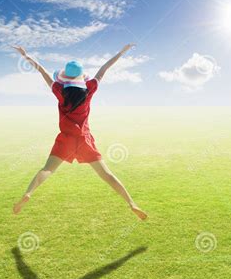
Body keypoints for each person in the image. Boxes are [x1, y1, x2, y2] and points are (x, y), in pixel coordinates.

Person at [11, 44, 147, 220]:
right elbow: (104, 68)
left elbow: (42, 71)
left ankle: (29, 192)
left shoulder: (59, 91)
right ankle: (131, 203)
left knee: (47, 169)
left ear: (65, 78)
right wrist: (121, 52)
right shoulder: (89, 89)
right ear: (81, 77)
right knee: (107, 175)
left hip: (66, 139)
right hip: (84, 140)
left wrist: (26, 55)